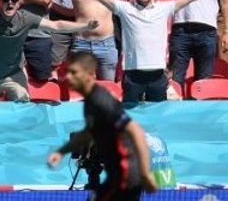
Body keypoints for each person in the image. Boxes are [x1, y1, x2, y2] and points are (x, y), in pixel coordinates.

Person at [62, 0, 225, 106]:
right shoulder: (124, 9)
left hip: (157, 76)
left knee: (157, 118)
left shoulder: (164, 8)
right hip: (133, 76)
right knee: (131, 120)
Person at [47, 54, 160, 201]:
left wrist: (145, 174)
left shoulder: (101, 101)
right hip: (117, 176)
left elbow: (136, 132)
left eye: (74, 72)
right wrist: (62, 151)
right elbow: (88, 132)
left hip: (126, 175)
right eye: (67, 72)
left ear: (89, 74)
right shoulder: (91, 101)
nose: (68, 76)